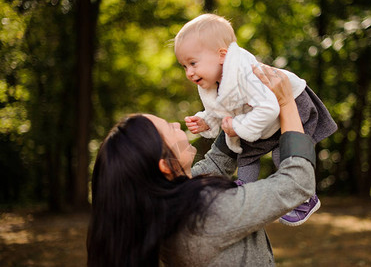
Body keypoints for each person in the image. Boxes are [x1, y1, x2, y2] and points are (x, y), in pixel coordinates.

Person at [87, 65, 317, 266]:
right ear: (165, 165)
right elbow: (295, 183)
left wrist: (236, 113)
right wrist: (286, 103)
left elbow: (217, 161)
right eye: (169, 128)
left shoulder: (164, 207)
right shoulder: (208, 215)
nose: (177, 124)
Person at [174, 13, 337, 226]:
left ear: (222, 55)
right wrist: (206, 121)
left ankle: (305, 198)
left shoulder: (245, 75)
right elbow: (218, 110)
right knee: (246, 152)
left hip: (290, 103)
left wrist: (238, 126)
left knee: (284, 151)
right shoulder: (216, 81)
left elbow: (269, 107)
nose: (189, 72)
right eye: (184, 66)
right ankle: (244, 187)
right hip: (257, 117)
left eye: (193, 63)